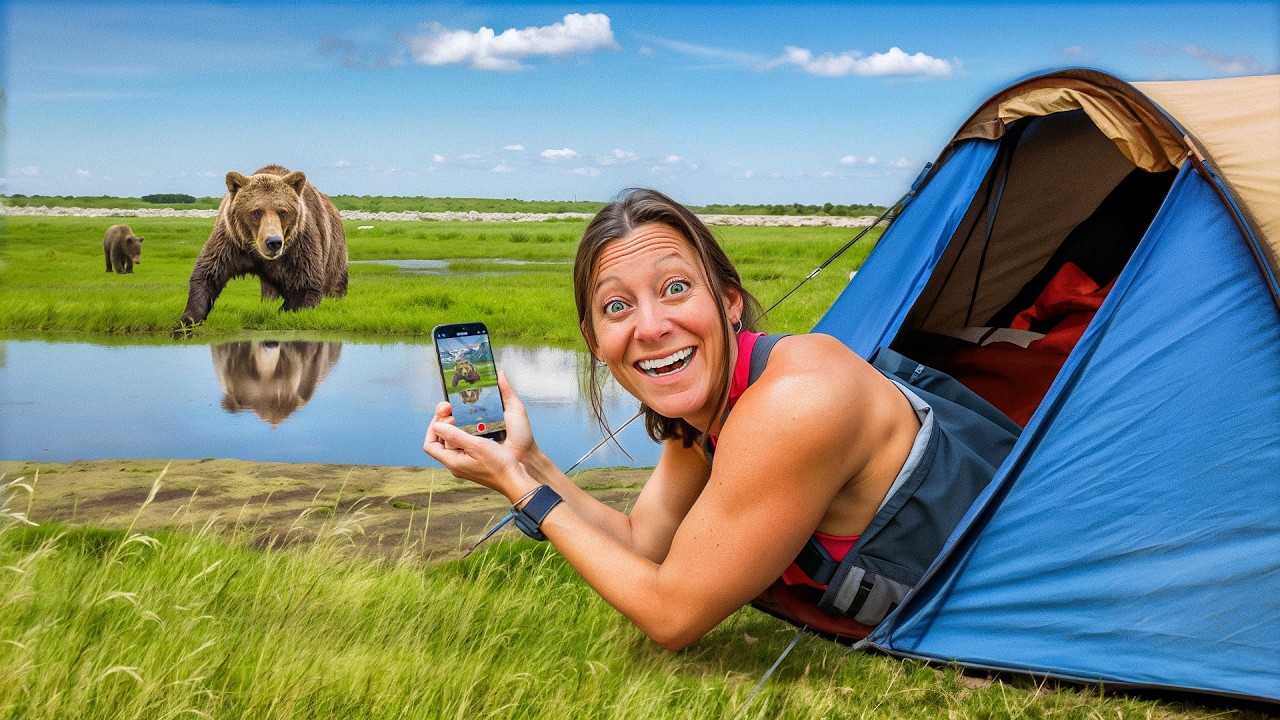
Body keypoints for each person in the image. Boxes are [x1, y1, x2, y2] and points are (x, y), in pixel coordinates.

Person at [423, 188, 1017, 650]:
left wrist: (520, 490)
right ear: (596, 341)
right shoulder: (705, 419)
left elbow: (672, 613)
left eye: (675, 288)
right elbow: (644, 547)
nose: (650, 327)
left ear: (728, 301)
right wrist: (528, 460)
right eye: (616, 306)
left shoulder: (796, 399)